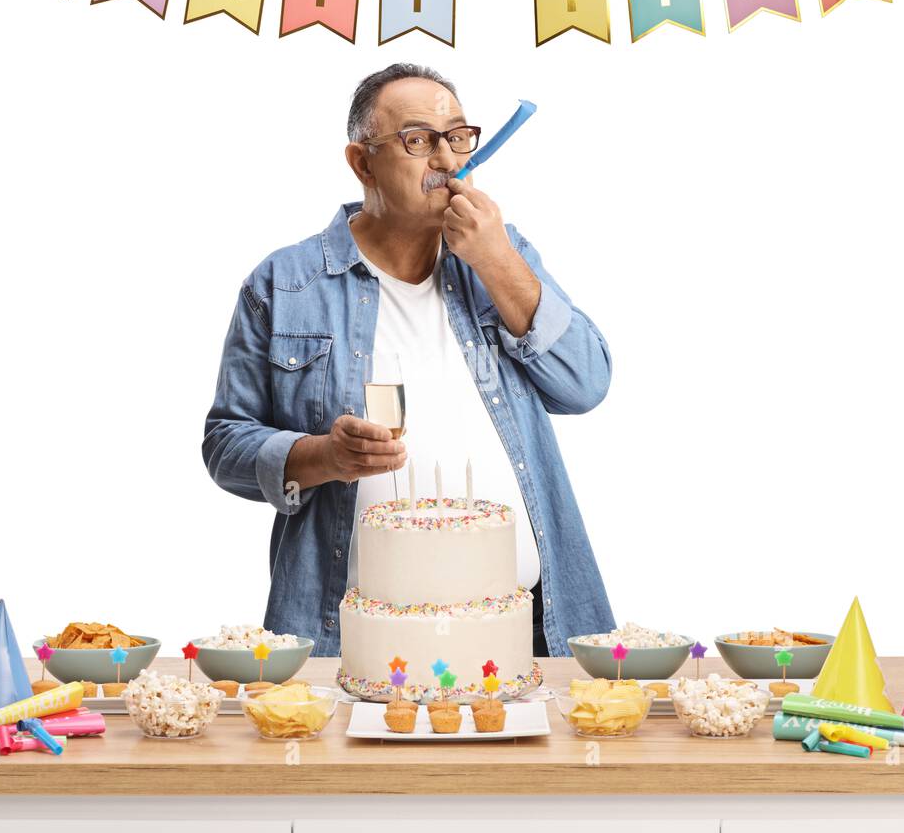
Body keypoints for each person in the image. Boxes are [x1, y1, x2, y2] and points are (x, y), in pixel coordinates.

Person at [202, 62, 616, 656]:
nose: (447, 161)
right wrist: (322, 456)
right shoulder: (285, 283)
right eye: (418, 141)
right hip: (350, 634)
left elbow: (586, 383)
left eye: (457, 137)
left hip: (525, 626)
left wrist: (496, 260)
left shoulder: (502, 255)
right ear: (362, 162)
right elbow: (225, 444)